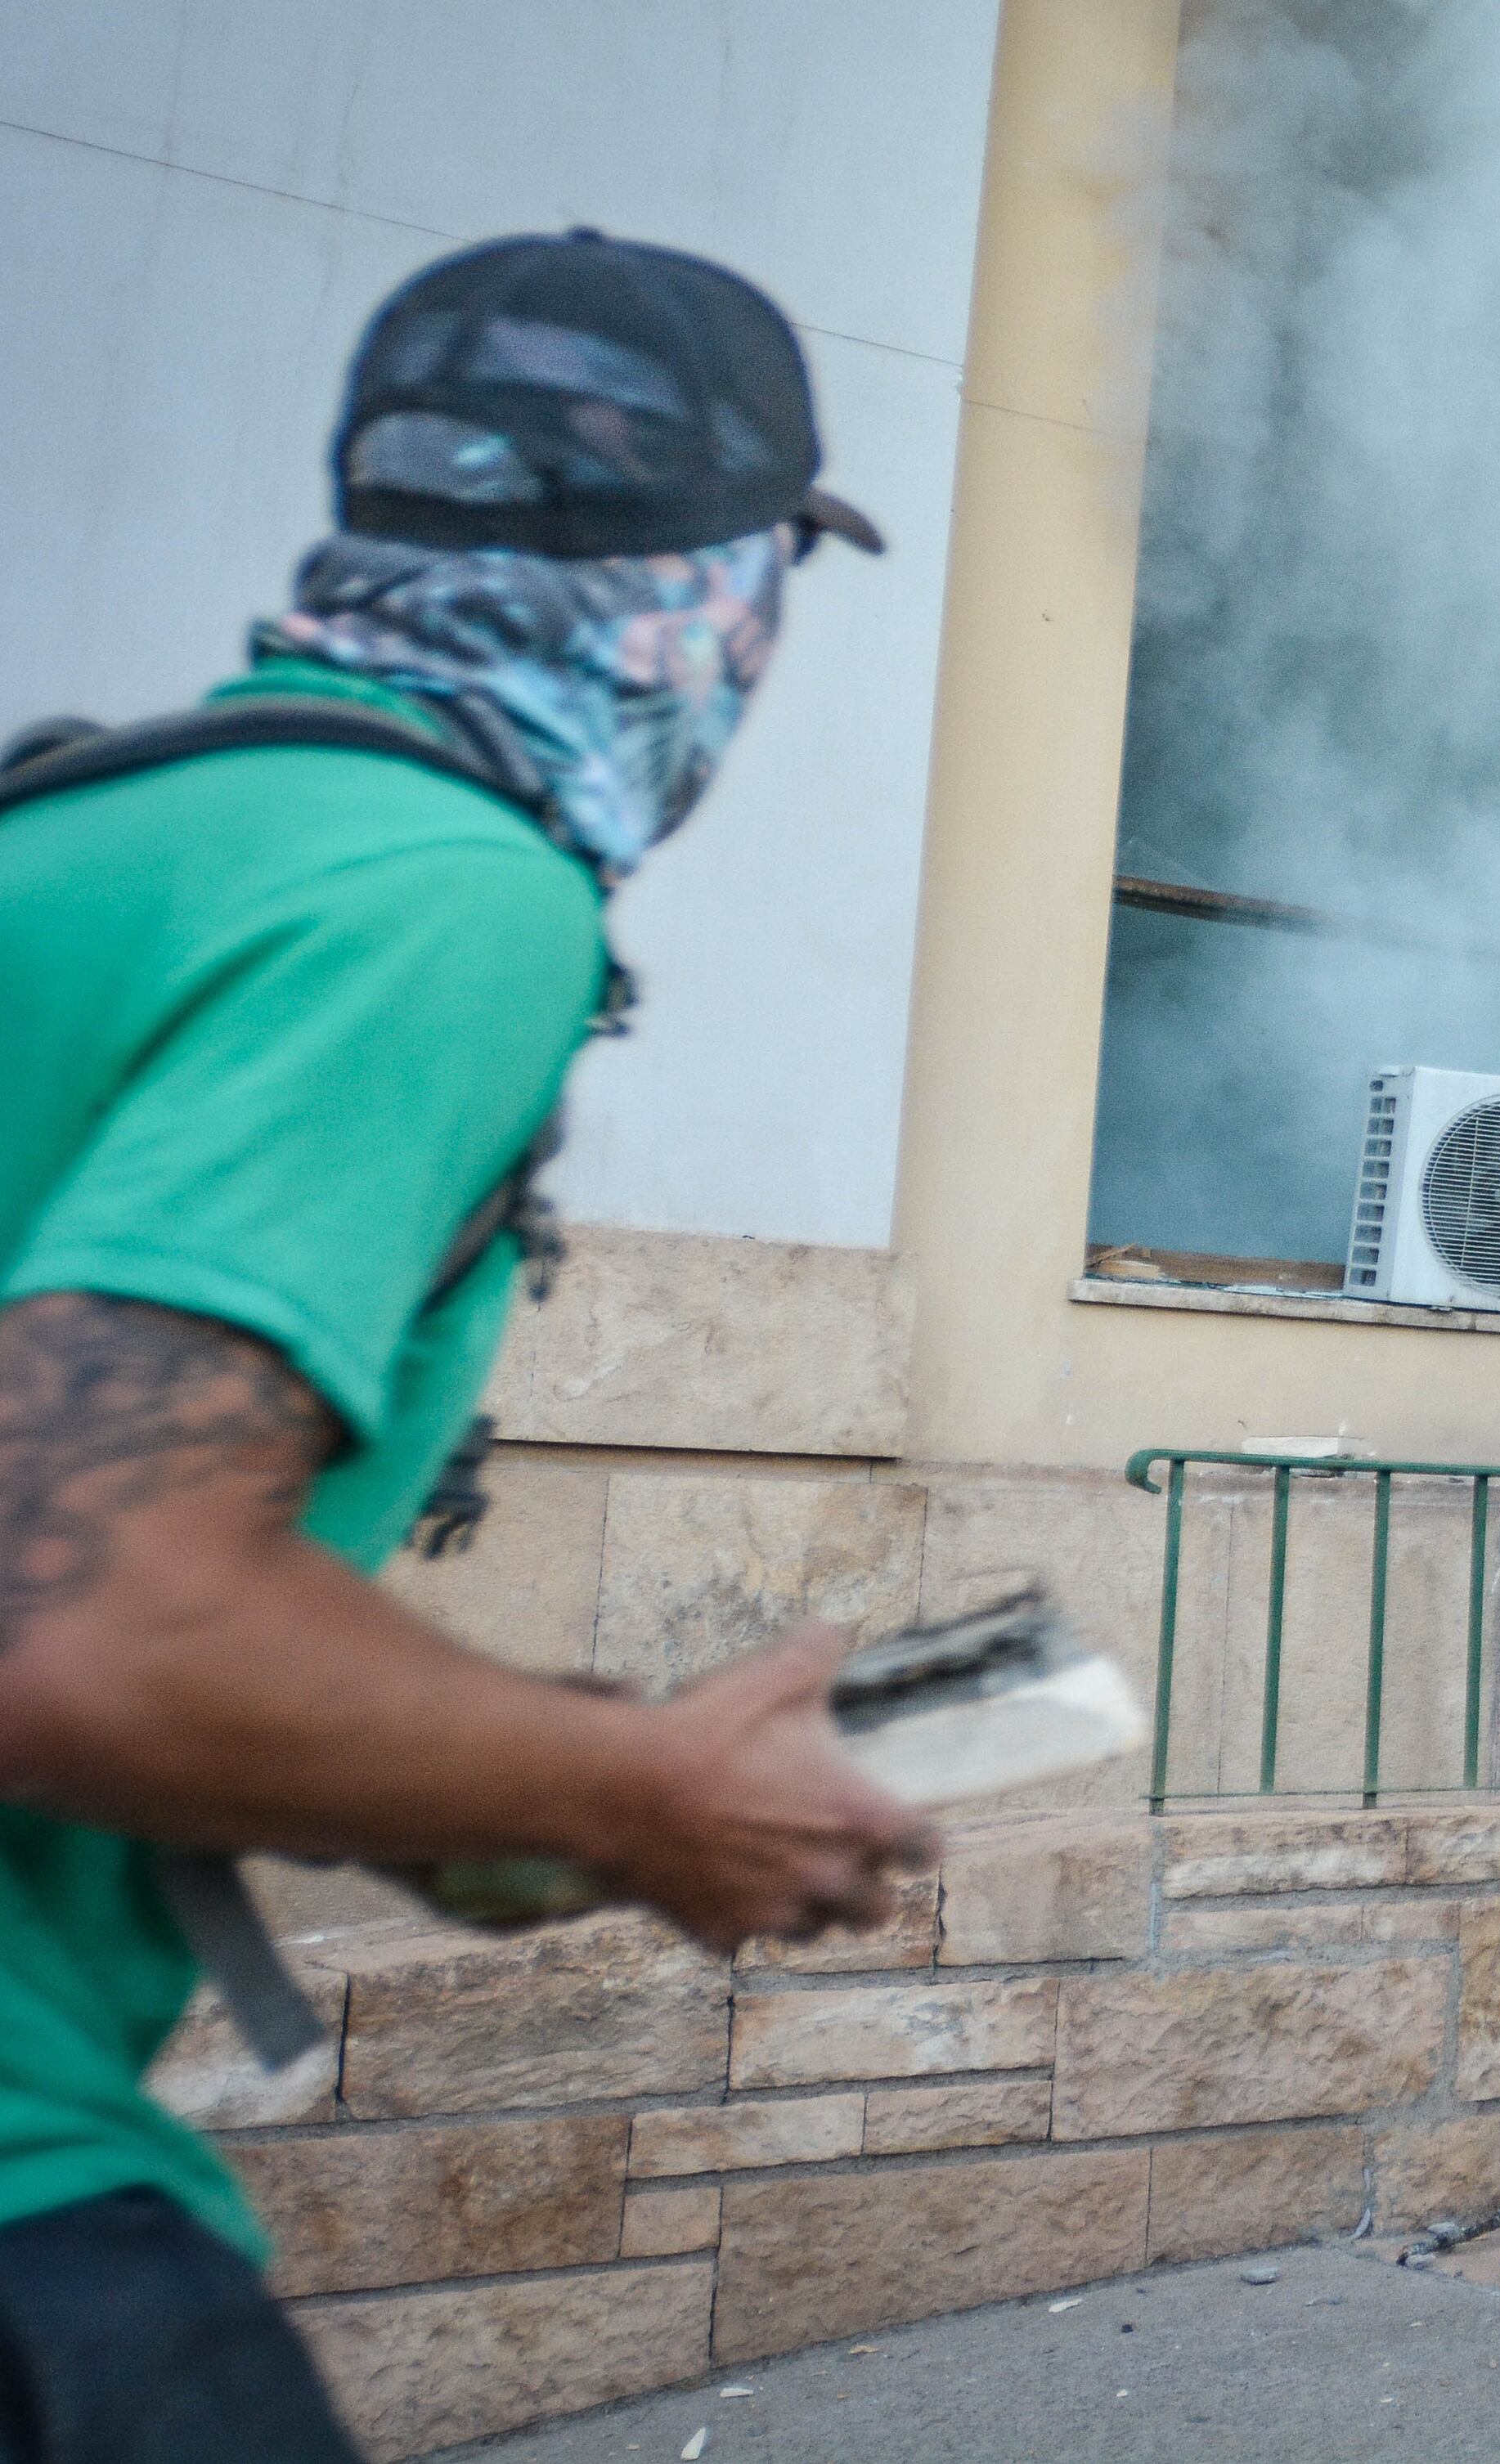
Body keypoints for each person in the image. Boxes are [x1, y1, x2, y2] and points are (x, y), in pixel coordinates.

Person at [0, 231, 936, 2462]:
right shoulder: (450, 887)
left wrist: (531, 1788)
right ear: (718, 592)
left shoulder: (87, 811)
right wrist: (645, 1788)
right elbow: (82, 1616)